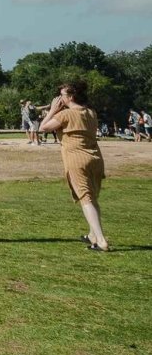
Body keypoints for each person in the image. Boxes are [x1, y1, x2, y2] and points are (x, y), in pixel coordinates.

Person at [38, 79, 109, 251]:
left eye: (61, 95)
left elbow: (43, 128)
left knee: (86, 199)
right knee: (92, 198)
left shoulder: (66, 115)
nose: (58, 98)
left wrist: (53, 110)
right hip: (96, 159)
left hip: (77, 159)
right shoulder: (91, 112)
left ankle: (100, 240)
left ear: (70, 96)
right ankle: (93, 234)